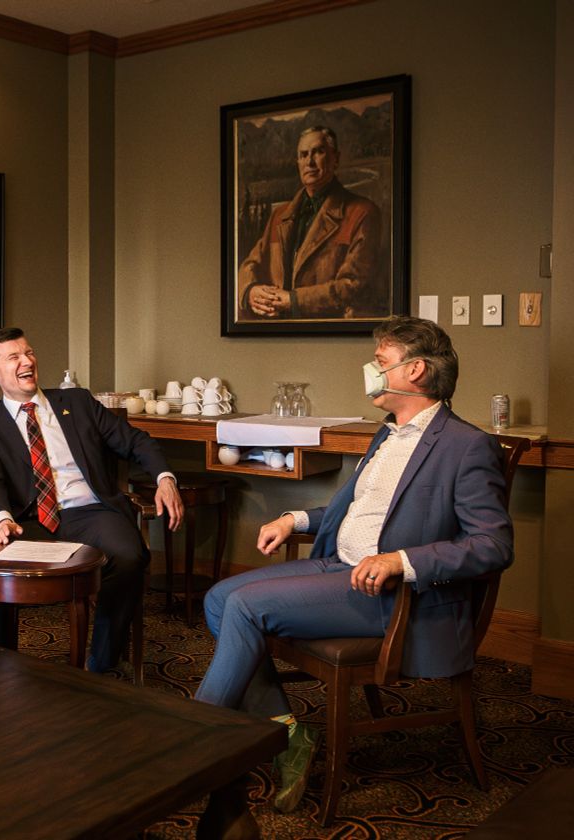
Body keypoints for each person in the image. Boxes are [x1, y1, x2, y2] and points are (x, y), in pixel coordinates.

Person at [195, 315, 512, 813]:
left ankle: (191, 746)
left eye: (381, 363)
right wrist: (293, 518)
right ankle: (288, 735)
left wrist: (401, 561)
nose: (371, 370)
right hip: (339, 566)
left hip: (397, 598)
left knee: (245, 608)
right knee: (218, 597)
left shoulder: (466, 446)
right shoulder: (387, 435)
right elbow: (359, 511)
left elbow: (493, 545)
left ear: (417, 372)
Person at [0, 327, 184, 672]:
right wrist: (1, 519)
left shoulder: (78, 403)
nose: (27, 361)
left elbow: (136, 441)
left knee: (129, 556)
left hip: (92, 512)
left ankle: (102, 663)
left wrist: (165, 478)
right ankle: (0, 664)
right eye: (14, 357)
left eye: (30, 353)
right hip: (28, 521)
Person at [238, 125, 383, 320]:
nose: (310, 161)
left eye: (318, 152)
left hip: (330, 335)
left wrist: (294, 300)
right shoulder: (279, 215)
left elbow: (354, 284)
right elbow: (250, 263)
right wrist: (250, 291)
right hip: (275, 335)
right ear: (297, 162)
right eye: (303, 154)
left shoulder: (362, 212)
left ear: (335, 159)